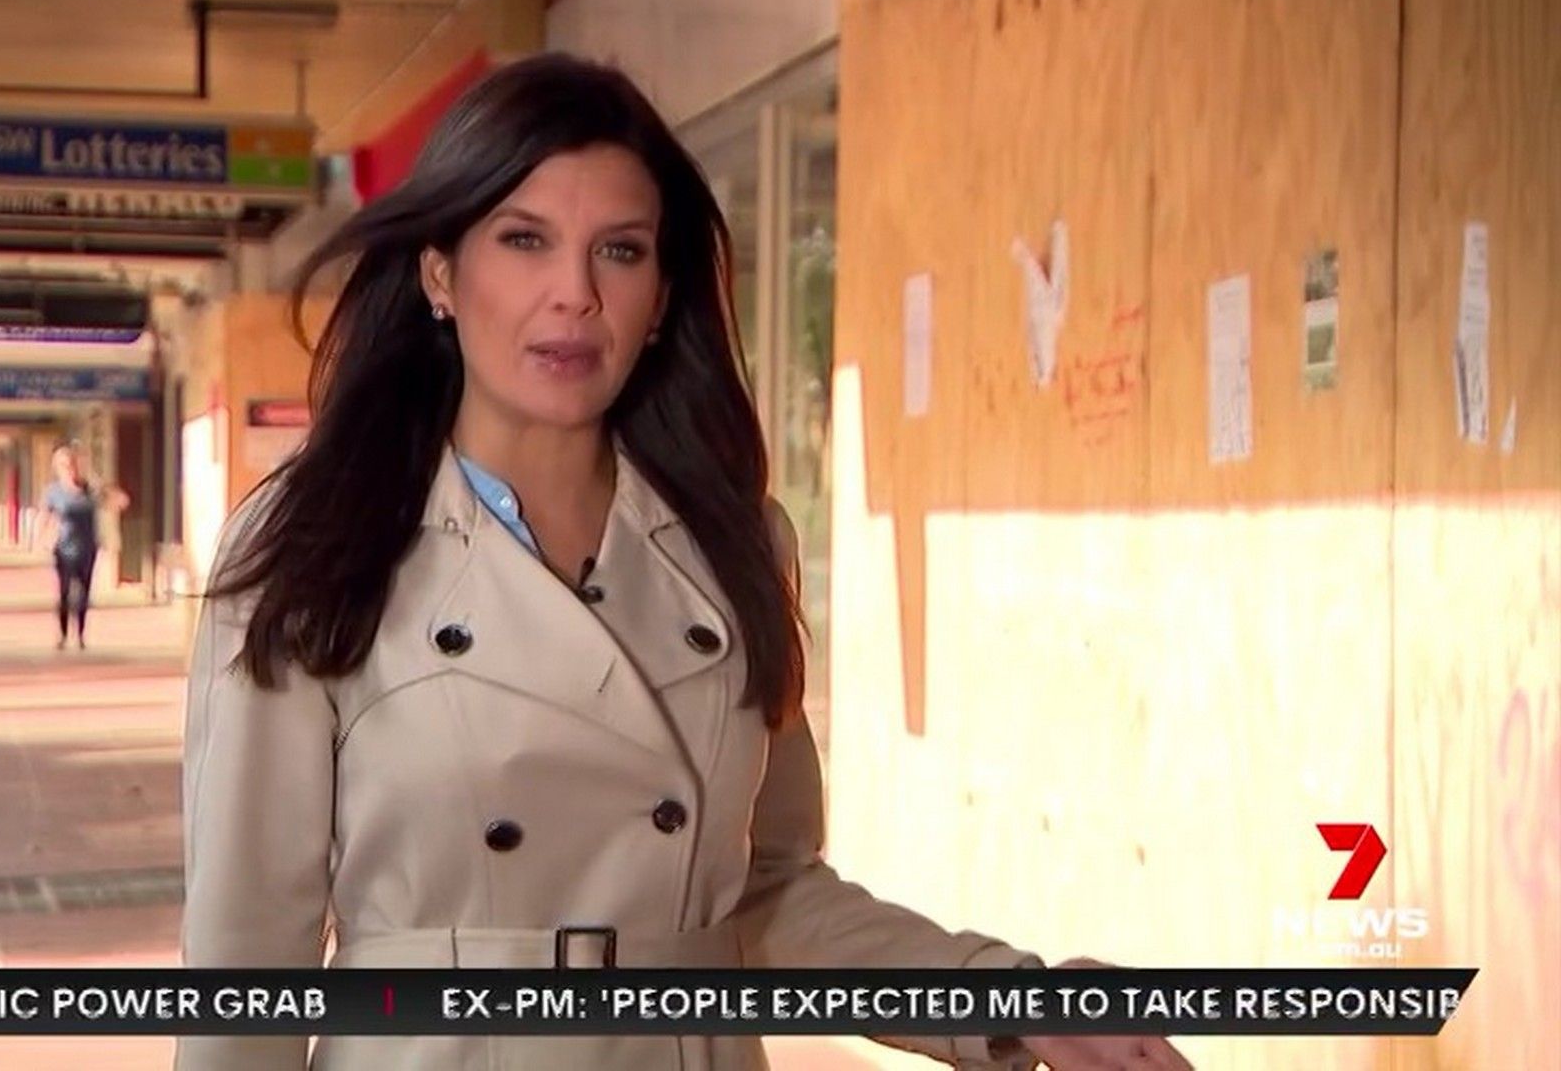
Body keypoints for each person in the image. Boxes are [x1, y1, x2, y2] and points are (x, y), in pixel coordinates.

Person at [180, 53, 1191, 1071]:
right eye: (525, 240)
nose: (574, 295)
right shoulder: (313, 544)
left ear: (661, 298)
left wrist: (1010, 997)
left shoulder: (734, 542)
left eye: (618, 251)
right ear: (440, 274)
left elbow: (766, 893)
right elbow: (247, 953)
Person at [42, 442, 126, 650]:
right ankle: (63, 635)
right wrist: (42, 539)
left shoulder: (90, 489)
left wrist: (105, 487)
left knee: (83, 593)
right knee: (64, 593)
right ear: (58, 468)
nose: (70, 469)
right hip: (63, 549)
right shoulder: (54, 492)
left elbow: (121, 502)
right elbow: (45, 516)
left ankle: (80, 635)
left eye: (72, 464)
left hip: (88, 548)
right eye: (65, 465)